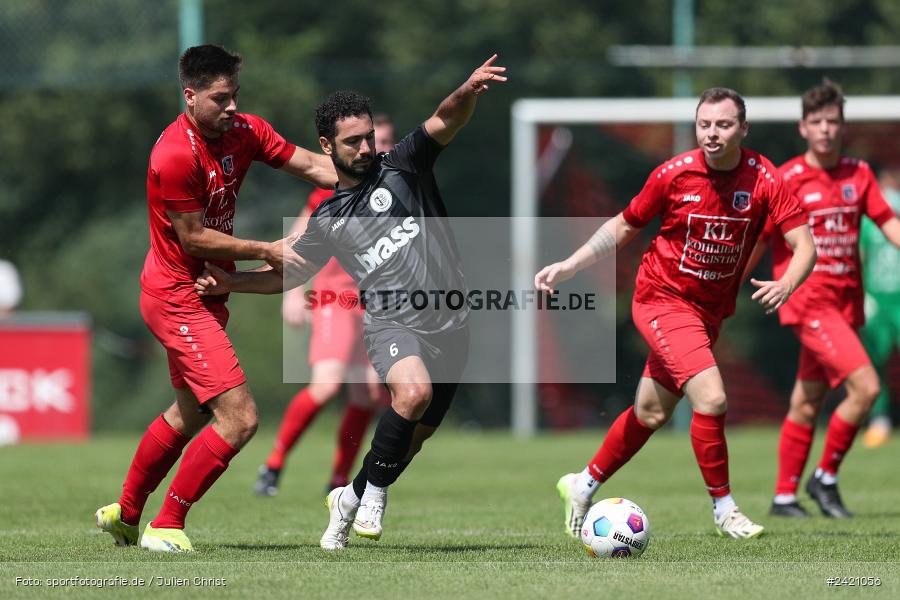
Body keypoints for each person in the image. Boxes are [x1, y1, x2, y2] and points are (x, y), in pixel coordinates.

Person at [195, 55, 507, 549]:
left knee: (411, 442)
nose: (365, 148)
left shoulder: (403, 165)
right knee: (413, 394)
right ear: (327, 146)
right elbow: (290, 273)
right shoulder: (327, 219)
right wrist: (231, 283)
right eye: (353, 141)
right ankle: (372, 495)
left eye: (368, 138)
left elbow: (445, 118)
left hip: (452, 325)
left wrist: (466, 90)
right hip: (391, 324)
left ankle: (349, 497)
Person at [535, 87, 816, 539]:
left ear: (743, 129)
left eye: (723, 124)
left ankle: (581, 484)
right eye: (705, 124)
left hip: (708, 314)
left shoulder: (765, 177)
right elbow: (622, 226)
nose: (712, 133)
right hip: (660, 300)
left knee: (650, 413)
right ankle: (725, 509)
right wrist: (571, 264)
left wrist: (787, 283)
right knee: (713, 399)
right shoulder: (674, 174)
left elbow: (805, 246)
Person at [94, 44, 336, 553]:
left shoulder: (245, 130)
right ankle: (165, 525)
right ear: (190, 95)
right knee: (240, 418)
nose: (232, 107)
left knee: (189, 411)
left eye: (235, 95)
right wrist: (266, 250)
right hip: (177, 296)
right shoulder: (175, 153)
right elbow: (193, 239)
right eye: (220, 98)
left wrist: (377, 178)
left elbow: (314, 166)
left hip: (204, 293)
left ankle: (127, 513)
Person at [758, 81, 900, 519]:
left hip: (844, 304)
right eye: (816, 121)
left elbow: (887, 221)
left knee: (807, 401)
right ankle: (825, 477)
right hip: (809, 302)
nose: (825, 129)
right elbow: (758, 240)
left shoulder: (859, 173)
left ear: (842, 126)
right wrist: (724, 294)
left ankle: (784, 497)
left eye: (832, 121)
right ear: (803, 127)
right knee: (867, 388)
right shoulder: (787, 178)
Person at [254, 115, 395, 497]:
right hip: (334, 296)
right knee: (328, 384)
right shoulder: (337, 183)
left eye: (382, 141)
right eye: (369, 141)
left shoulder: (394, 187)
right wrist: (292, 292)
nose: (374, 149)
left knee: (368, 395)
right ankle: (273, 465)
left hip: (373, 303)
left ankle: (338, 482)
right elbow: (298, 236)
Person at [859, 168, 900, 448]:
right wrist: (862, 295)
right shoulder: (867, 223)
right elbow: (860, 257)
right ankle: (880, 420)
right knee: (873, 362)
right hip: (877, 301)